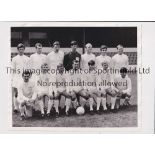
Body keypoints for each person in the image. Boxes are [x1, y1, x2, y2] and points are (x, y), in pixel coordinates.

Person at [12, 43, 29, 113]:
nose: (21, 51)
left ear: (24, 50)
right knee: (16, 93)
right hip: (17, 77)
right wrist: (12, 79)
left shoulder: (27, 58)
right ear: (18, 50)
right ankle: (16, 107)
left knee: (24, 93)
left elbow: (28, 69)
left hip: (24, 78)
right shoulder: (14, 59)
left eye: (22, 49)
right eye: (20, 49)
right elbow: (13, 69)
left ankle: (24, 107)